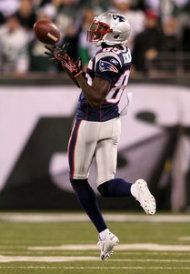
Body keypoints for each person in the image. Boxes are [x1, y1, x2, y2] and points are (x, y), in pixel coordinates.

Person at [45, 11, 156, 260]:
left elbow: (95, 97)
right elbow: (90, 83)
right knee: (105, 185)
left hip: (91, 120)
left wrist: (75, 72)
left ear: (115, 34)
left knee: (77, 178)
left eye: (102, 28)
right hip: (112, 121)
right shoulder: (121, 51)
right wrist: (70, 66)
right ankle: (133, 191)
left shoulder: (107, 57)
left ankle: (104, 234)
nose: (96, 30)